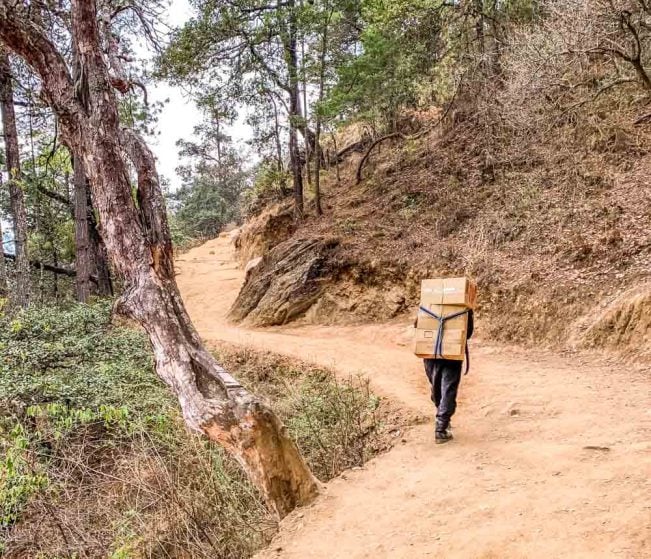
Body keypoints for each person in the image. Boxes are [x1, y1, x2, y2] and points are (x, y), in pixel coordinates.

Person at [421, 309, 474, 444]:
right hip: (452, 351)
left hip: (430, 350)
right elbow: (467, 332)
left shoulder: (429, 301)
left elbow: (418, 324)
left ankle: (442, 423)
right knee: (447, 389)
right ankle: (441, 427)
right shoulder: (461, 305)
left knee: (437, 387)